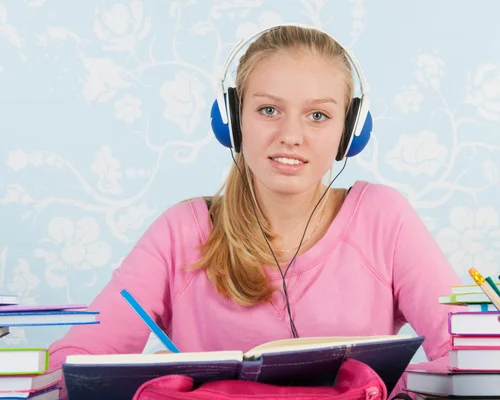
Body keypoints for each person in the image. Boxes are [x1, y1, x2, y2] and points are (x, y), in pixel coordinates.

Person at [48, 24, 465, 399]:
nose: (290, 136)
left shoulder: (383, 218)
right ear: (233, 120)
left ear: (348, 132)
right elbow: (72, 362)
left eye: (318, 115)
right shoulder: (180, 233)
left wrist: (382, 389)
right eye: (268, 110)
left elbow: (469, 355)